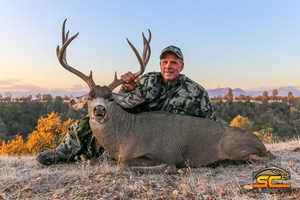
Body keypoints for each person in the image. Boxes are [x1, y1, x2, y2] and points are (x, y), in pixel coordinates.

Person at [36, 45, 217, 165]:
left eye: (173, 63)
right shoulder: (147, 81)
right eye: (165, 62)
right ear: (160, 64)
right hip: (139, 130)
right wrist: (128, 87)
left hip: (172, 140)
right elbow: (122, 103)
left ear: (181, 66)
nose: (168, 66)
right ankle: (62, 153)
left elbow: (210, 124)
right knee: (93, 122)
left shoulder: (197, 92)